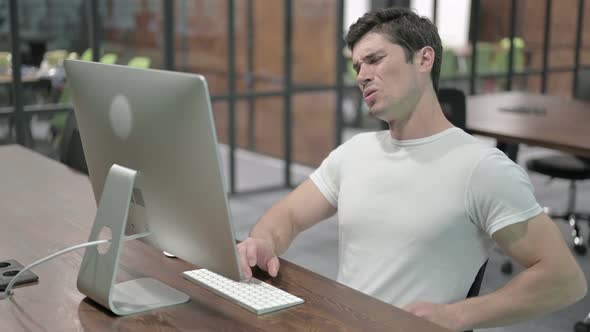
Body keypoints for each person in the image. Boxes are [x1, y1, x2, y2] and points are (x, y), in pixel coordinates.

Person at [236, 7, 587, 331]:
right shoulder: (355, 152)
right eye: (358, 66)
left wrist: (455, 315)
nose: (362, 76)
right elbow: (290, 215)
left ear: (424, 59)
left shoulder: (481, 168)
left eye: (374, 60)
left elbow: (564, 279)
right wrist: (263, 240)